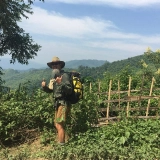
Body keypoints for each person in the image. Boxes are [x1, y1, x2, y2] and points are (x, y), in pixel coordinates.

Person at [41, 56, 72, 145]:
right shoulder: (54, 78)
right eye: (53, 64)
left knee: (59, 124)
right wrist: (44, 87)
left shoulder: (64, 76)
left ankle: (62, 146)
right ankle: (62, 142)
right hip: (58, 103)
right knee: (57, 124)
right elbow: (51, 91)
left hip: (63, 103)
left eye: (56, 64)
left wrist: (60, 83)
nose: (54, 66)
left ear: (60, 65)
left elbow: (69, 90)